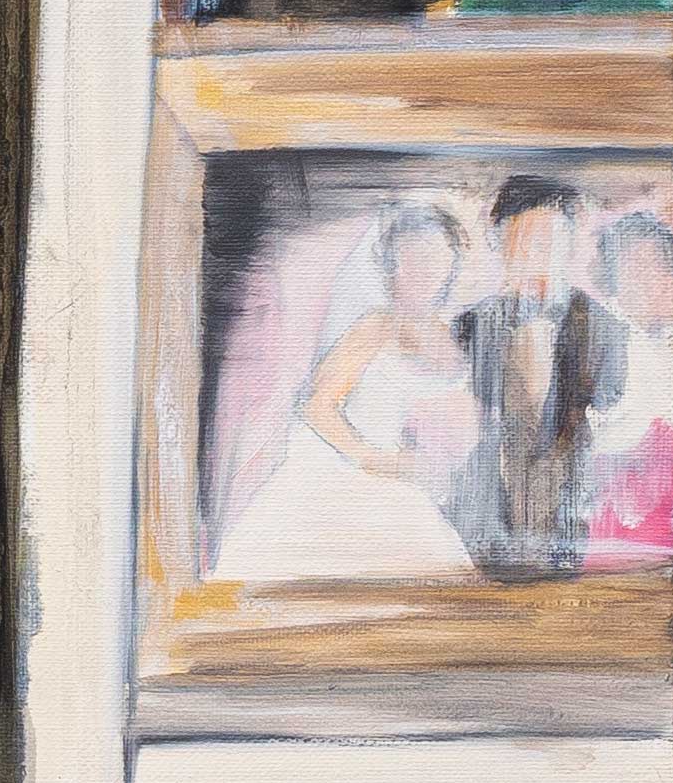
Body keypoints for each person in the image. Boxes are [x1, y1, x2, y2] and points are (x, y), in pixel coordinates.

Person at [209, 199, 483, 590]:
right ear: (392, 266)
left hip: (412, 479)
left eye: (434, 260)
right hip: (351, 474)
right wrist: (373, 459)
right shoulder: (375, 328)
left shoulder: (452, 337)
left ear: (450, 266)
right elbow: (316, 407)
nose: (424, 272)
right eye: (412, 259)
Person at [451, 173, 622, 578]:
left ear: (570, 243)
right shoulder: (470, 326)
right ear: (499, 243)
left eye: (548, 238)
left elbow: (612, 427)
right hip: (486, 532)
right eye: (521, 238)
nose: (534, 251)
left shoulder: (604, 329)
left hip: (575, 528)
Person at [576, 208, 673, 569]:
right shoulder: (605, 344)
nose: (649, 280)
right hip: (623, 515)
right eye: (633, 268)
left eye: (657, 266)